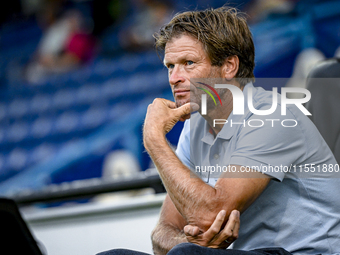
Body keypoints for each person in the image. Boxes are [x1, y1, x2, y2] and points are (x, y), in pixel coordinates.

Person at [97, 6, 340, 255]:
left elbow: (209, 214)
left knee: (185, 254)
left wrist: (153, 139)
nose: (174, 78)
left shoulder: (272, 116)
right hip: (251, 253)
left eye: (188, 63)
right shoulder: (195, 125)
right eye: (170, 66)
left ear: (229, 66)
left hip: (309, 252)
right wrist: (193, 243)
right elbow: (162, 234)